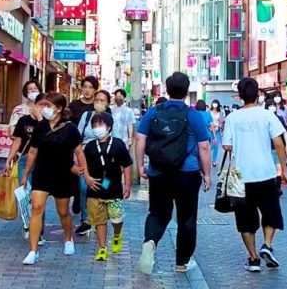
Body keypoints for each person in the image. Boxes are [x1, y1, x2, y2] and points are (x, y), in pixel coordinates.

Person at [135, 73, 212, 274]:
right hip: (187, 173)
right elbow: (204, 146)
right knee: (187, 217)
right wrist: (207, 174)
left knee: (158, 213)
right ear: (187, 92)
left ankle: (150, 242)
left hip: (159, 172)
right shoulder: (193, 115)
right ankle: (182, 262)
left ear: (167, 90)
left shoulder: (153, 112)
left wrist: (141, 166)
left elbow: (140, 139)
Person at [223, 78, 287, 272]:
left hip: (241, 178)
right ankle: (267, 245)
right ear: (258, 94)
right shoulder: (267, 116)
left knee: (245, 220)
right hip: (266, 173)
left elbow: (227, 146)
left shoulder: (232, 118)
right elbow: (279, 144)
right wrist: (283, 170)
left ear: (240, 96)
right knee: (271, 212)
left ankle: (253, 259)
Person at [19, 93, 89, 265]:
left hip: (63, 173)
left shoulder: (70, 128)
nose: (44, 109)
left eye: (48, 105)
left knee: (63, 212)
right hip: (42, 172)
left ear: (58, 109)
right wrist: (26, 173)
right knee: (37, 208)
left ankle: (68, 238)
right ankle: (33, 250)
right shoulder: (40, 127)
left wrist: (85, 174)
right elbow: (33, 151)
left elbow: (79, 152)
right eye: (43, 105)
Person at [83, 112, 133, 262]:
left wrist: (127, 185)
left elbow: (127, 165)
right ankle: (102, 248)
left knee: (116, 219)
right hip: (94, 189)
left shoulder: (118, 144)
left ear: (109, 127)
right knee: (99, 220)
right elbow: (82, 165)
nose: (97, 128)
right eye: (94, 125)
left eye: (101, 125)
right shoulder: (90, 146)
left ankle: (117, 235)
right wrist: (87, 178)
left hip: (114, 189)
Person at [74, 90, 114, 235]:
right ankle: (86, 220)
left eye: (102, 100)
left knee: (104, 189)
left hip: (105, 163)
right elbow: (77, 137)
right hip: (85, 160)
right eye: (97, 100)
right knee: (85, 188)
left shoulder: (110, 119)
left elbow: (115, 141)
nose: (99, 103)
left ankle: (101, 218)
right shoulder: (86, 117)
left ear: (108, 103)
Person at [209, 99, 225, 168]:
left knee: (216, 146)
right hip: (209, 131)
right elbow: (207, 121)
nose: (214, 105)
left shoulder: (220, 113)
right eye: (213, 103)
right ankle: (207, 160)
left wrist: (220, 126)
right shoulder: (209, 112)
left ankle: (214, 161)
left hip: (217, 131)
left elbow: (222, 122)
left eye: (216, 103)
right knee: (210, 147)